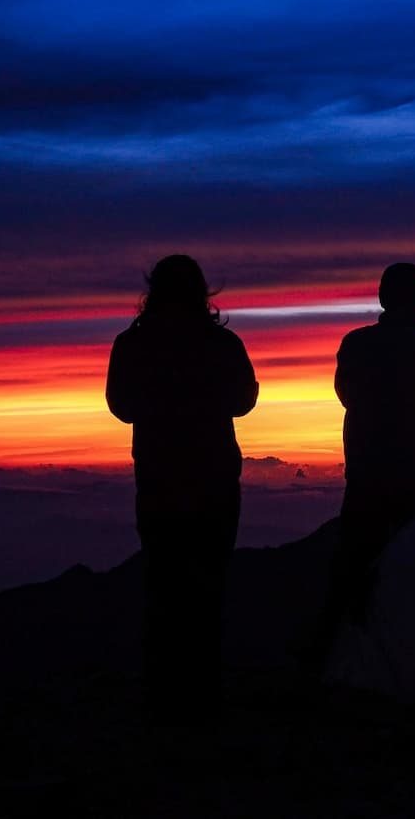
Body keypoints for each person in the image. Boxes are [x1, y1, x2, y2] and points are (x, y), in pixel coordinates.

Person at [105, 254, 258, 724]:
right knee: (208, 584)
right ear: (202, 293)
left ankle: (162, 692)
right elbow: (244, 401)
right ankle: (203, 693)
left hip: (158, 477)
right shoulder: (223, 343)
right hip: (213, 478)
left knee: (165, 580)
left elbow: (121, 407)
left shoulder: (133, 344)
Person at [323, 263, 415, 638]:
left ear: (383, 296)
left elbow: (346, 394)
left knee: (356, 568)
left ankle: (346, 653)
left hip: (368, 471)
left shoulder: (356, 346)